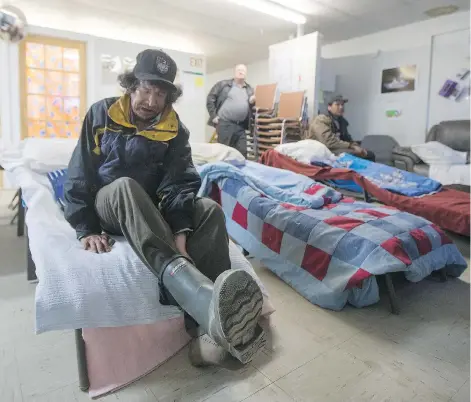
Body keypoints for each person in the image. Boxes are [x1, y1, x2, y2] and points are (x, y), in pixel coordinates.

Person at [63, 49, 265, 368]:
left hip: (150, 210)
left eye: (160, 93)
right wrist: (85, 227)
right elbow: (79, 172)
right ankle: (196, 296)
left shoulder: (175, 130)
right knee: (126, 186)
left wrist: (181, 234)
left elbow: (179, 183)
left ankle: (209, 334)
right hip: (111, 204)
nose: (152, 101)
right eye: (145, 89)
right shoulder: (100, 114)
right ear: (131, 85)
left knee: (209, 209)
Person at [206, 64, 255, 158]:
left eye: (243, 70)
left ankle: (239, 172)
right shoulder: (224, 85)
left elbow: (251, 108)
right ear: (235, 72)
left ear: (246, 73)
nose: (241, 72)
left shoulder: (249, 89)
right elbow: (210, 98)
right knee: (224, 153)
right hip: (225, 124)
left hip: (241, 126)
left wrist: (252, 102)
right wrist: (213, 116)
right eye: (239, 70)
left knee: (242, 153)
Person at [308, 95, 375, 161]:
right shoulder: (320, 120)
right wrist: (351, 146)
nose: (341, 107)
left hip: (336, 148)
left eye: (342, 105)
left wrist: (357, 146)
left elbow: (347, 138)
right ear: (329, 107)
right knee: (353, 154)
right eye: (337, 104)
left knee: (369, 154)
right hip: (323, 149)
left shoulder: (341, 121)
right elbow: (328, 142)